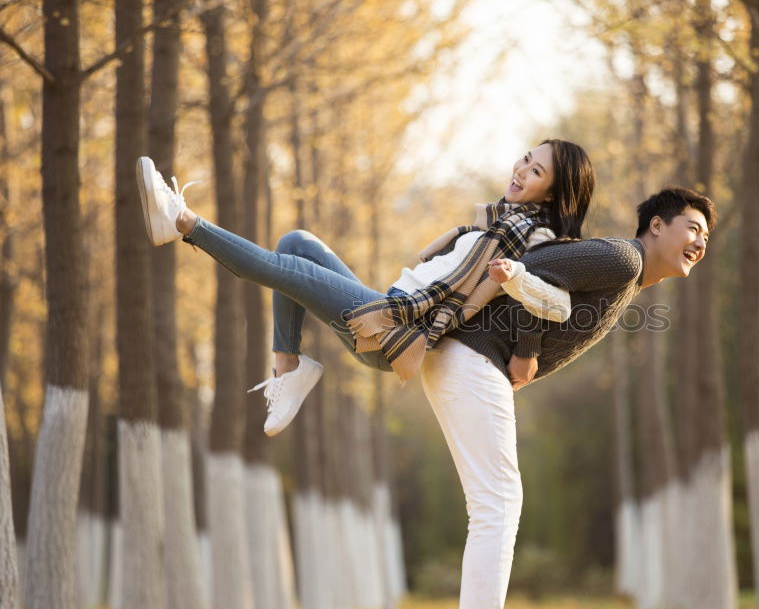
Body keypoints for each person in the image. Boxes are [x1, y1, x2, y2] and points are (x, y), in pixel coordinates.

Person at [421, 185, 716, 609]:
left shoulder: (629, 277)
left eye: (706, 237)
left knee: (495, 502)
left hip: (473, 362)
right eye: (693, 228)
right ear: (657, 225)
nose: (701, 243)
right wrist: (525, 351)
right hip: (476, 357)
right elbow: (527, 274)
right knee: (498, 503)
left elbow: (545, 284)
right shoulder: (625, 259)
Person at [135, 140, 595, 436]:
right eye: (526, 158)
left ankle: (182, 221)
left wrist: (525, 337)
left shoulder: (538, 238)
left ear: (553, 195)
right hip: (388, 301)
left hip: (394, 330)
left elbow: (551, 297)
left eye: (536, 172)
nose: (521, 170)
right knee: (296, 242)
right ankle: (289, 369)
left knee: (285, 267)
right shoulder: (504, 219)